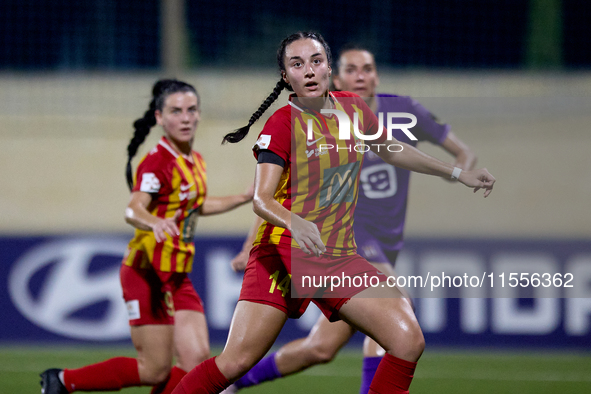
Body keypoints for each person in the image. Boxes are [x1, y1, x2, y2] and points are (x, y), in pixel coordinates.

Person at [171, 32, 494, 394]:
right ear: (285, 77)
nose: (308, 71)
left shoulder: (353, 109)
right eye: (297, 64)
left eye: (316, 61)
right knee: (235, 362)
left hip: (335, 256)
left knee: (407, 341)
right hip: (283, 253)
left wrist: (456, 172)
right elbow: (262, 200)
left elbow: (392, 149)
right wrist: (295, 223)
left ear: (327, 68)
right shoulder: (281, 123)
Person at [40, 79, 254, 394]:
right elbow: (133, 208)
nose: (185, 117)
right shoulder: (158, 161)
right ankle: (61, 381)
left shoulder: (195, 161)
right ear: (159, 117)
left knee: (197, 361)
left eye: (191, 110)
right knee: (155, 370)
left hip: (177, 276)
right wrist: (153, 222)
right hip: (147, 273)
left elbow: (193, 205)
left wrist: (243, 197)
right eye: (175, 111)